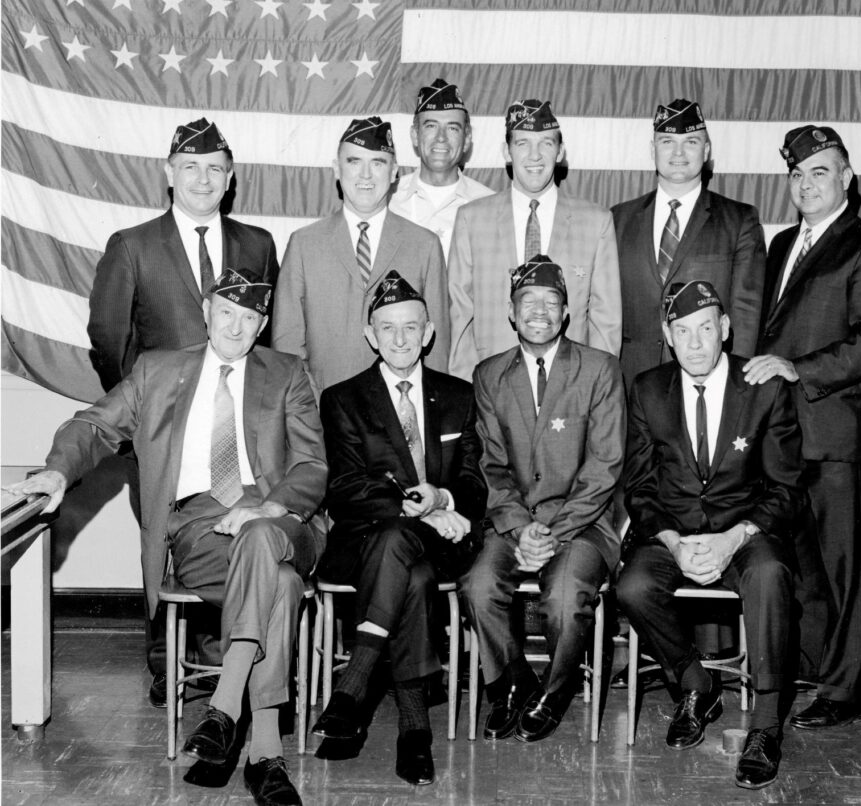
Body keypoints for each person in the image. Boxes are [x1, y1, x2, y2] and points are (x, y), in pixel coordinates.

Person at [6, 270, 327, 805]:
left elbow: (312, 464)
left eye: (249, 318)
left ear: (263, 324)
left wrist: (268, 507)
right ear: (206, 311)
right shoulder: (157, 371)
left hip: (283, 517)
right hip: (202, 526)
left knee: (261, 535)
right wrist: (58, 470)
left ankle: (224, 709)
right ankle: (264, 753)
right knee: (283, 584)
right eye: (226, 312)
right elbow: (93, 425)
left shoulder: (287, 373)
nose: (236, 327)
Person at [87, 117, 279, 707]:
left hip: (234, 431)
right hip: (165, 435)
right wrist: (144, 418)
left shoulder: (258, 244)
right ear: (169, 174)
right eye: (190, 167)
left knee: (233, 534)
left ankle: (226, 659)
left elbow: (264, 341)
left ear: (231, 178)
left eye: (215, 168)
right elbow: (108, 338)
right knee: (161, 541)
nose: (203, 178)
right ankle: (164, 659)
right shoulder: (133, 246)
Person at [745, 125, 861, 729]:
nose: (806, 184)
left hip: (840, 440)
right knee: (805, 568)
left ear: (846, 178)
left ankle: (847, 691)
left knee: (846, 571)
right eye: (797, 173)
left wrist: (798, 368)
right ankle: (816, 671)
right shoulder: (783, 243)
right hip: (787, 439)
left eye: (820, 171)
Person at [617, 280, 803, 789]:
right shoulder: (648, 389)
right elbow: (639, 487)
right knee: (633, 586)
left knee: (769, 576)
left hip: (745, 531)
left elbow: (787, 489)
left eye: (705, 328)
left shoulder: (763, 387)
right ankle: (696, 684)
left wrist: (734, 538)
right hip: (675, 533)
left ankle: (765, 727)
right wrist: (673, 542)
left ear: (724, 327)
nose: (695, 343)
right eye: (682, 331)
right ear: (667, 336)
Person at [310, 271, 487, 785]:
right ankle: (415, 730)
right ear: (370, 335)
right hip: (365, 540)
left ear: (429, 333)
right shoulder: (343, 399)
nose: (401, 339)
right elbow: (345, 488)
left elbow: (474, 483)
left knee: (405, 553)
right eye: (388, 328)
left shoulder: (459, 396)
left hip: (443, 541)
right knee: (410, 572)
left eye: (411, 327)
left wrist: (444, 498)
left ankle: (354, 684)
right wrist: (419, 507)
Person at [461, 256, 625, 743]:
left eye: (551, 301)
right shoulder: (489, 374)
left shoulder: (599, 369)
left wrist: (552, 532)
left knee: (564, 597)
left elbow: (605, 464)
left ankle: (554, 691)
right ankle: (513, 684)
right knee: (478, 586)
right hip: (513, 523)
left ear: (566, 312)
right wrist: (518, 527)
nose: (539, 311)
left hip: (582, 522)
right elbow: (490, 464)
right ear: (510, 313)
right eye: (527, 301)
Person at [272, 117, 449, 395]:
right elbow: (287, 346)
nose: (365, 175)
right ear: (337, 169)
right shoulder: (304, 244)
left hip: (403, 408)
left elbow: (436, 348)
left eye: (377, 163)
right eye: (354, 162)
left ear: (394, 172)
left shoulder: (424, 245)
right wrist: (310, 408)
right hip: (322, 409)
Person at [447, 99, 621, 381]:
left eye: (546, 143)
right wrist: (468, 388)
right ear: (507, 151)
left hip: (570, 385)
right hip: (492, 383)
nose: (535, 155)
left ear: (560, 151)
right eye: (523, 143)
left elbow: (605, 321)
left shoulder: (596, 222)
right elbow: (460, 315)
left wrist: (597, 388)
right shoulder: (471, 219)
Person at [611, 98, 766, 390]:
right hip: (631, 380)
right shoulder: (618, 219)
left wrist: (737, 389)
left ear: (706, 151)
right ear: (652, 149)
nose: (678, 153)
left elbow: (746, 314)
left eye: (691, 142)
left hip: (707, 379)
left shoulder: (739, 221)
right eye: (667, 142)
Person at [389, 77, 494, 260]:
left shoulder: (490, 207)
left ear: (467, 139)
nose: (441, 137)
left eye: (452, 128)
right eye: (431, 126)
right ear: (415, 135)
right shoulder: (388, 200)